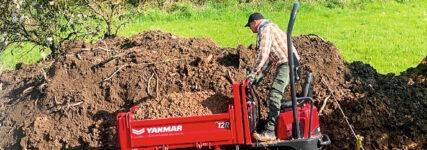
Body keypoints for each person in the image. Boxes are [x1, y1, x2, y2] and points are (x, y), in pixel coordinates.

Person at [245, 12, 300, 141]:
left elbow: (263, 54)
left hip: (287, 63)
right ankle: (273, 126)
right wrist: (260, 75)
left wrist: (253, 73)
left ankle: (271, 130)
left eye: (250, 26)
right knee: (275, 93)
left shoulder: (265, 29)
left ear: (255, 22)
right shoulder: (271, 27)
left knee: (275, 94)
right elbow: (270, 59)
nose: (250, 29)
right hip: (288, 61)